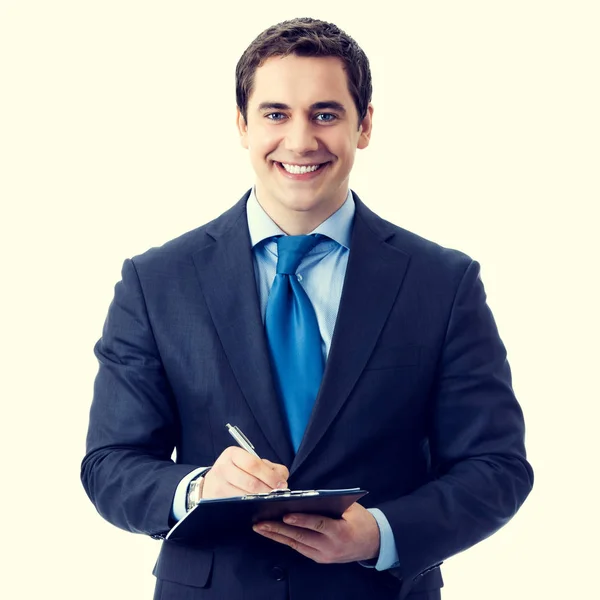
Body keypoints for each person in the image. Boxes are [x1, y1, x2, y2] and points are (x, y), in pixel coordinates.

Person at [81, 17, 533, 600]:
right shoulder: (157, 281)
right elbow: (110, 464)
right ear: (242, 125)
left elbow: (496, 467)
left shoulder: (442, 283)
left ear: (364, 124)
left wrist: (381, 534)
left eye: (325, 114)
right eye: (275, 114)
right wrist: (197, 488)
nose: (299, 141)